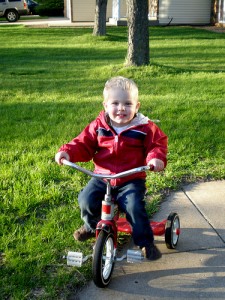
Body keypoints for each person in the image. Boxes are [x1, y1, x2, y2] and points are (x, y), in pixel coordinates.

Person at [55, 76, 168, 260]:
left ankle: (145, 242)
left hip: (130, 179)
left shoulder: (144, 128)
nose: (121, 108)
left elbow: (157, 145)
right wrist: (67, 153)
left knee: (134, 207)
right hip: (102, 177)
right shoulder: (99, 126)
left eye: (127, 104)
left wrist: (155, 158)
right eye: (115, 103)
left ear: (137, 106)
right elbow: (83, 143)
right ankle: (92, 227)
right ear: (105, 105)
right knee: (86, 199)